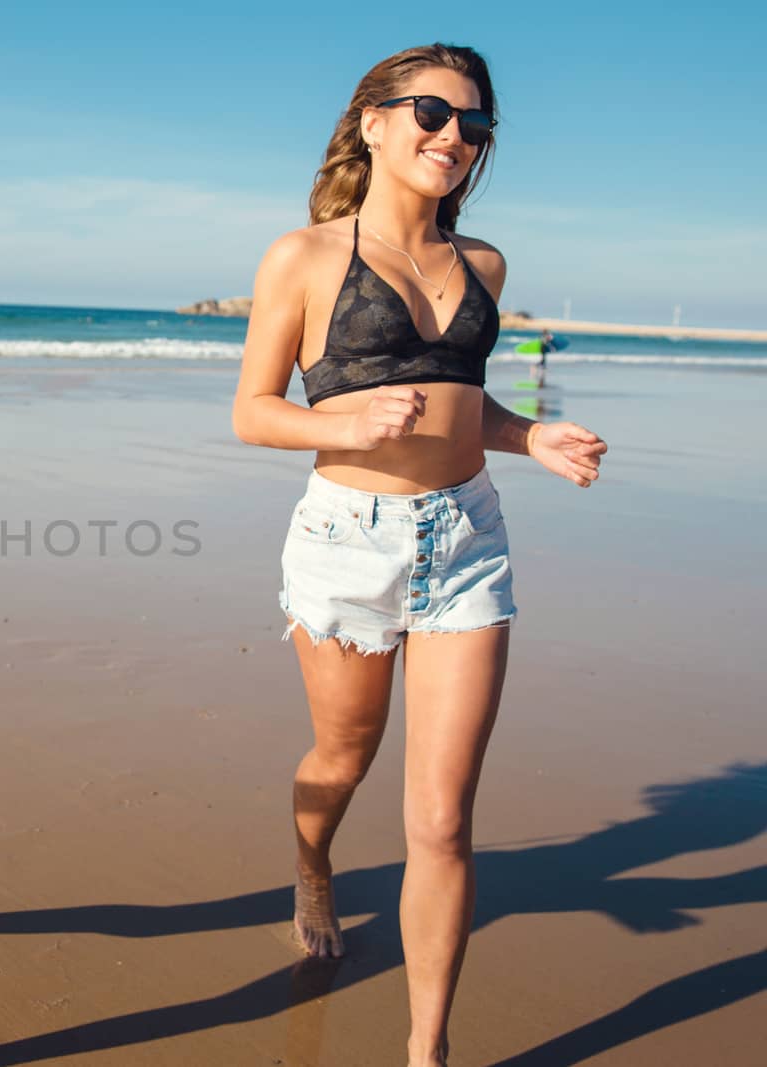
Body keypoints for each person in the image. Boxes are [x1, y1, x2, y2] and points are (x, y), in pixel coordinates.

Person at [231, 44, 606, 1067]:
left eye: (473, 125)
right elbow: (254, 413)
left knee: (440, 816)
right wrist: (345, 428)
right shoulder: (303, 257)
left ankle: (424, 1048)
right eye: (432, 115)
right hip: (347, 541)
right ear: (373, 124)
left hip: (467, 537)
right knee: (343, 759)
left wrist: (531, 436)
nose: (453, 138)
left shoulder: (482, 264)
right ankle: (311, 856)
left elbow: (463, 405)